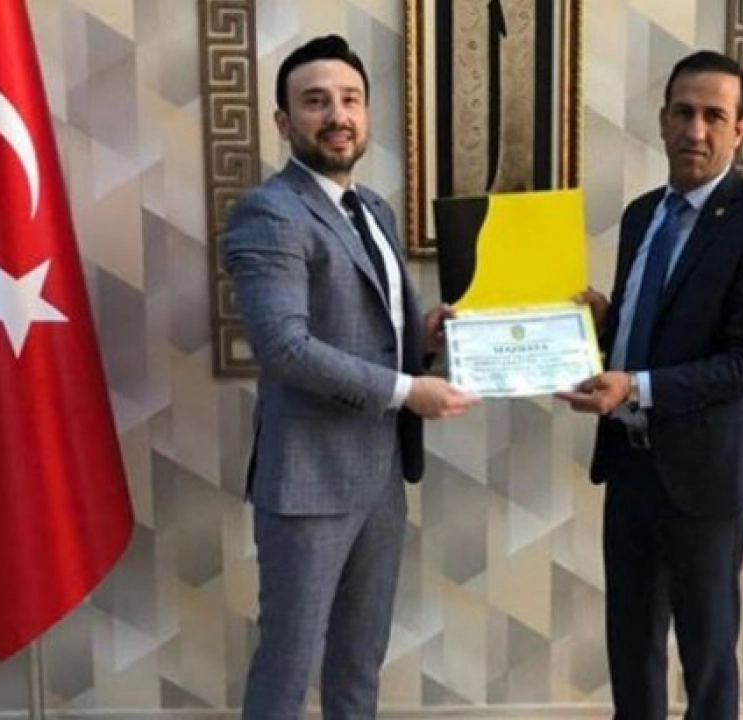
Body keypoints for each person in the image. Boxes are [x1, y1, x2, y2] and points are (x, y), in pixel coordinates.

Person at [222, 35, 477, 719]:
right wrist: (407, 391)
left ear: (367, 114)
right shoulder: (270, 212)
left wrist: (422, 342)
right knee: (287, 666)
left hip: (380, 477)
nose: (337, 115)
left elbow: (369, 330)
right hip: (308, 481)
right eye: (316, 102)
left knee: (360, 663)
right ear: (284, 122)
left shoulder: (374, 211)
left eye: (350, 99)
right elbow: (285, 347)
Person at [558, 50, 743, 719]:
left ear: (740, 129)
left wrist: (635, 387)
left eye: (713, 116)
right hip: (629, 463)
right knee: (631, 645)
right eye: (683, 112)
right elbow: (656, 328)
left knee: (706, 654)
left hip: (707, 475)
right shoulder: (642, 215)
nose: (695, 130)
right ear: (663, 118)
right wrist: (607, 323)